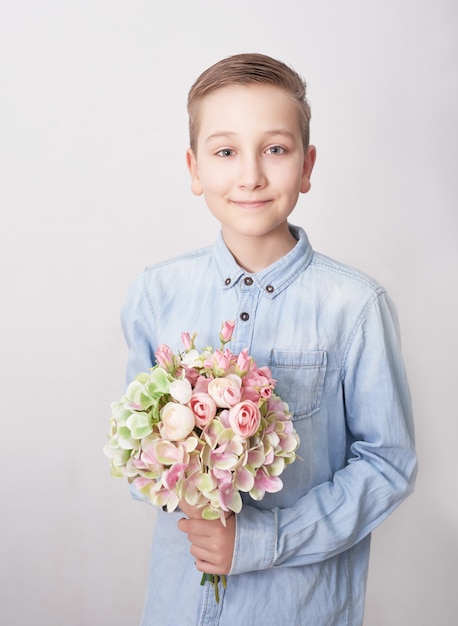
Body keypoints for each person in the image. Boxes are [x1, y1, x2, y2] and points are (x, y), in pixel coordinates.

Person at [121, 52, 417, 626]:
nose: (251, 174)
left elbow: (388, 462)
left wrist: (263, 540)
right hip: (178, 605)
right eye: (226, 151)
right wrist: (175, 482)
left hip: (300, 609)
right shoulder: (155, 295)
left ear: (307, 167)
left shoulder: (355, 306)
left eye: (275, 150)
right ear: (194, 168)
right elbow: (137, 448)